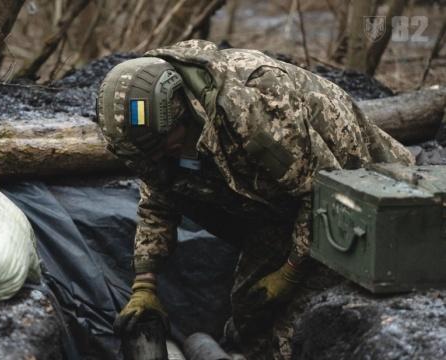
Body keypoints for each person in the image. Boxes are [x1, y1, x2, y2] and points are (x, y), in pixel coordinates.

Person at [96, 40, 414, 341]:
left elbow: (321, 194)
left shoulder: (256, 108)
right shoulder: (153, 140)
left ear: (181, 110)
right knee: (252, 310)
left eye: (162, 146)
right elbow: (158, 201)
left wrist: (289, 273)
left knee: (301, 327)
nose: (157, 157)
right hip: (275, 206)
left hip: (360, 196)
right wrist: (144, 283)